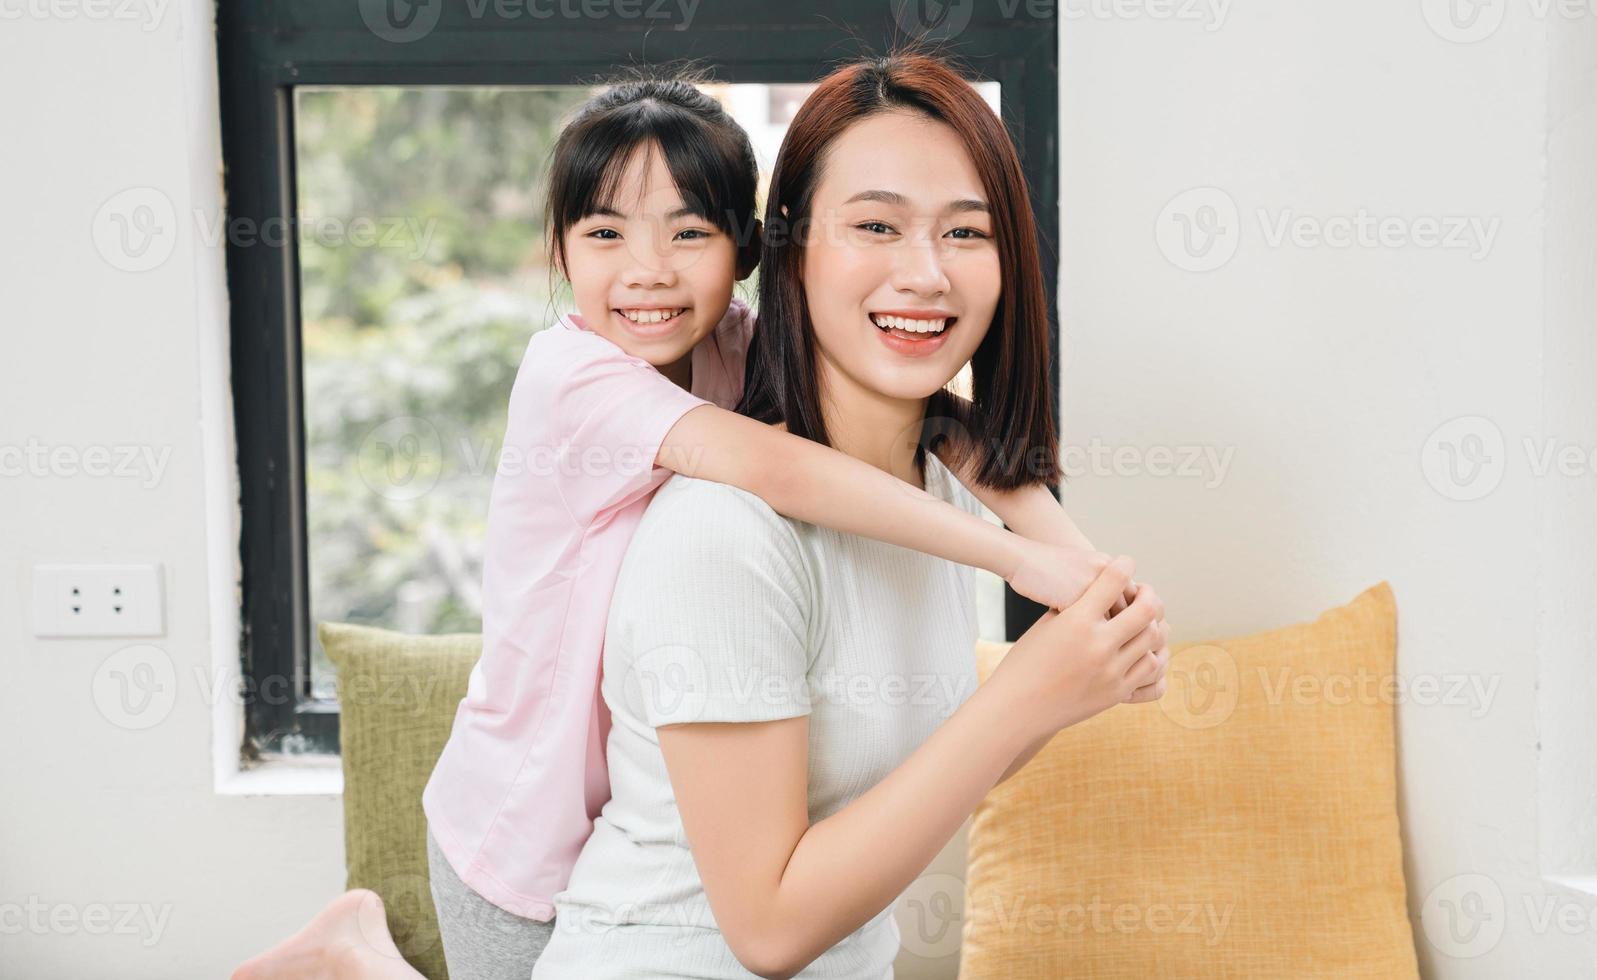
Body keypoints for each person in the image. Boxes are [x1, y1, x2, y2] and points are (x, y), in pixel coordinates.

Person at [232, 64, 1143, 980]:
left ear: (747, 250)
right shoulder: (580, 383)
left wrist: (1084, 574)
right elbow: (782, 469)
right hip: (520, 808)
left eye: (689, 233)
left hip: (625, 778)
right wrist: (1017, 567)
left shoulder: (742, 349)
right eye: (603, 233)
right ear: (558, 251)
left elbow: (946, 422)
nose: (648, 271)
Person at [524, 51, 1168, 979]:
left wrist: (1070, 684)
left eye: (965, 233)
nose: (924, 275)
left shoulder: (937, 489)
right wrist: (1028, 690)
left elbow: (921, 767)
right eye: (875, 225)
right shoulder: (724, 535)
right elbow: (770, 929)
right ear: (783, 244)